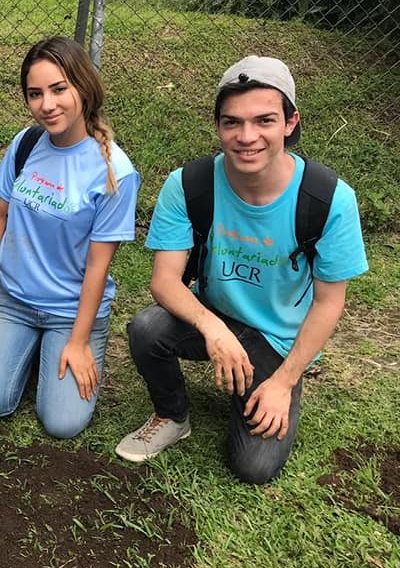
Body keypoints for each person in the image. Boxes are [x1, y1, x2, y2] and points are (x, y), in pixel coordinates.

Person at [114, 56, 368, 483]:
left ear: (290, 123)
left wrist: (284, 382)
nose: (246, 137)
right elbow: (164, 280)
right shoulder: (189, 184)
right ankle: (172, 415)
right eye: (232, 122)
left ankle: (267, 385)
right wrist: (214, 330)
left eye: (264, 120)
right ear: (218, 126)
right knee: (147, 328)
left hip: (278, 339)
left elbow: (328, 303)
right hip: (216, 314)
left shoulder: (328, 199)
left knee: (254, 467)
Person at [0, 36, 140, 439]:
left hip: (72, 310)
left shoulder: (114, 170)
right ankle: (23, 349)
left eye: (59, 89)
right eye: (35, 93)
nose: (47, 104)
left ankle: (58, 348)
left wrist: (78, 342)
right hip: (14, 300)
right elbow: (0, 212)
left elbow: (98, 266)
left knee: (62, 423)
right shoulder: (26, 144)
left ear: (83, 86)